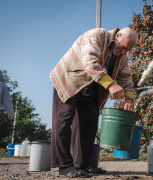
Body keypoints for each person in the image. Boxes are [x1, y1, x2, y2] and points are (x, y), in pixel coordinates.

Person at [50, 27, 137, 178]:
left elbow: (126, 77)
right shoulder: (97, 35)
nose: (124, 52)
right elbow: (90, 62)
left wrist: (129, 98)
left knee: (89, 123)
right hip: (69, 80)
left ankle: (83, 164)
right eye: (123, 47)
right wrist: (111, 85)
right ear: (117, 35)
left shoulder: (121, 55)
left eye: (127, 50)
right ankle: (64, 165)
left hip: (90, 87)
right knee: (64, 120)